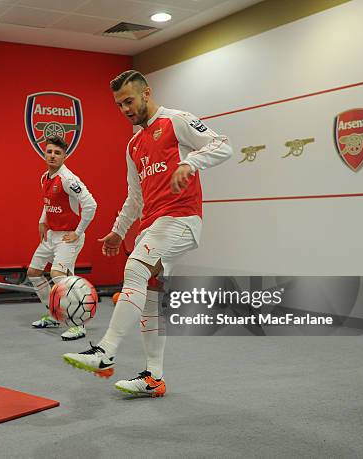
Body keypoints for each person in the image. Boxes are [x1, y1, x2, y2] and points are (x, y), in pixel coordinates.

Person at [63, 70, 233, 396]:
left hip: (181, 219)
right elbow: (134, 196)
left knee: (134, 269)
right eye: (118, 104)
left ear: (146, 93)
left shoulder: (176, 120)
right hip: (152, 224)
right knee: (152, 298)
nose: (125, 109)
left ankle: (105, 351)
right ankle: (154, 377)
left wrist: (191, 163)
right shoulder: (133, 145)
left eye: (129, 100)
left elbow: (223, 146)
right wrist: (117, 231)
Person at [27, 136, 97, 341]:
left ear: (64, 156)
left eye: (57, 153)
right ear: (44, 153)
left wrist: (79, 231)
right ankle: (55, 314)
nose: (52, 155)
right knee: (33, 272)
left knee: (60, 276)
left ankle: (79, 324)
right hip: (51, 235)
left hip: (68, 237)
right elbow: (48, 202)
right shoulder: (45, 177)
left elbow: (91, 205)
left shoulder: (68, 179)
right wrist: (42, 220)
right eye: (49, 151)